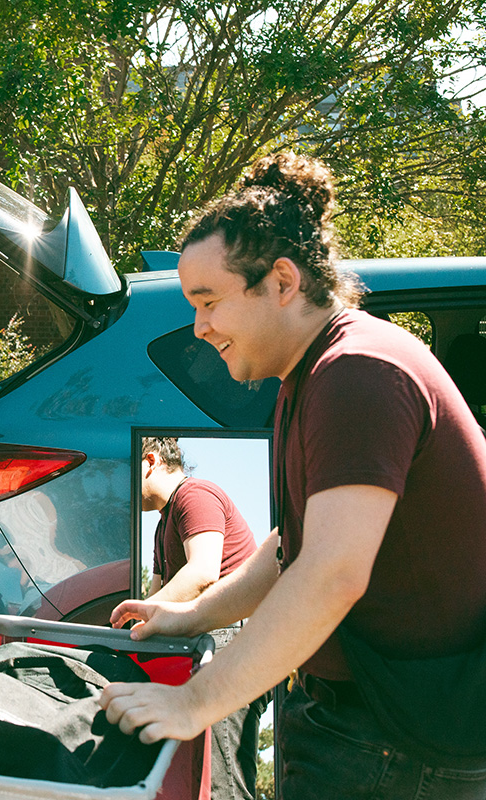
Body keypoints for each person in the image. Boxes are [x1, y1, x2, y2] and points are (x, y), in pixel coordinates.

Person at [102, 153, 486, 799]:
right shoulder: (307, 377)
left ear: (282, 280)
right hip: (363, 724)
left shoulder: (359, 372)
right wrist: (190, 615)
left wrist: (194, 703)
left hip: (400, 738)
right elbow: (293, 547)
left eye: (208, 302)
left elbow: (331, 573)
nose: (199, 328)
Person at [140, 436, 262, 800]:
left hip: (226, 644)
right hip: (206, 643)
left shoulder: (195, 496)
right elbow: (156, 598)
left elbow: (203, 572)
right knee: (202, 782)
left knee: (223, 784)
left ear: (150, 462)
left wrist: (137, 625)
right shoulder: (163, 525)